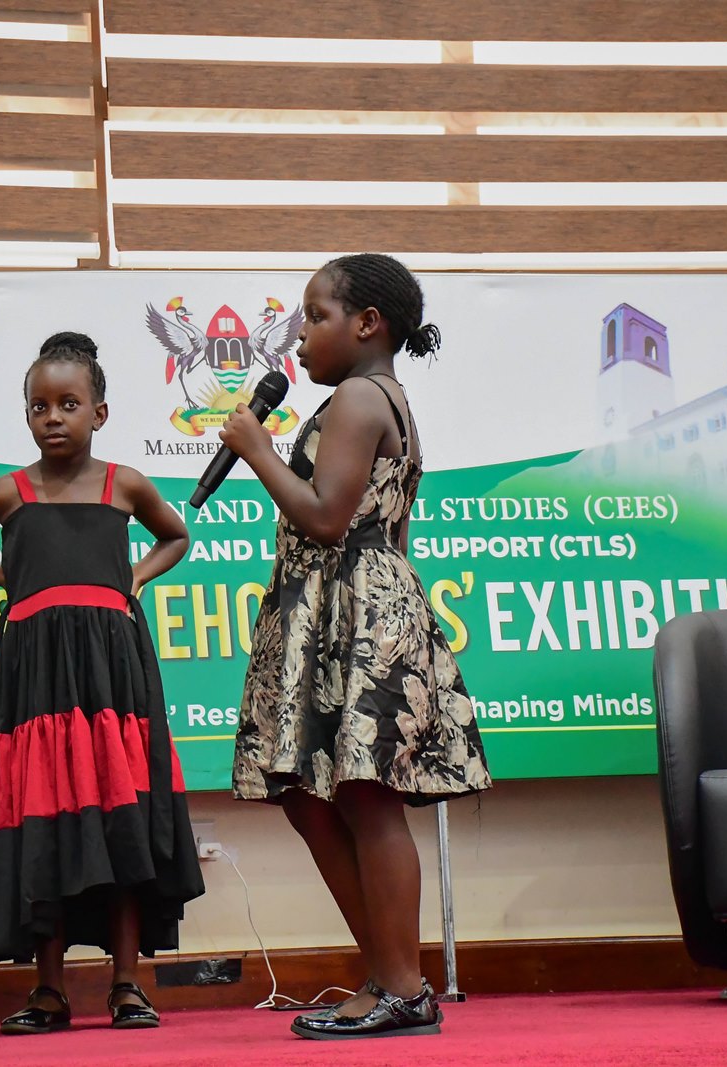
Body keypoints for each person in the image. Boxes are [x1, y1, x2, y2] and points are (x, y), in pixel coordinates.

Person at [218, 254, 492, 1040]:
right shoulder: (379, 399)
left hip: (358, 612)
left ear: (367, 323)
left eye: (315, 316)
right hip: (336, 610)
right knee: (307, 796)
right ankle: (383, 968)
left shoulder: (359, 398)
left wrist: (255, 446)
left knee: (366, 798)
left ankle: (404, 987)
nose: (299, 335)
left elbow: (328, 516)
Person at [0, 332, 205, 1034]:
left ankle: (126, 982)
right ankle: (48, 990)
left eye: (68, 403)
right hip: (35, 680)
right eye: (38, 406)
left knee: (119, 822)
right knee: (44, 823)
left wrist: (135, 578)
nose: (52, 416)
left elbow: (174, 535)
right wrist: (10, 581)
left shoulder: (126, 485)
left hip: (113, 675)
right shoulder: (8, 491)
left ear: (100, 413)